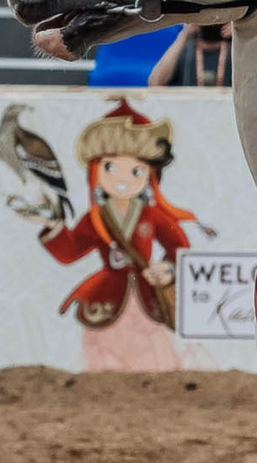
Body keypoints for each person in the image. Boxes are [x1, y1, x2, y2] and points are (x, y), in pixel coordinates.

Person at [32, 101, 203, 372]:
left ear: (150, 175)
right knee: (103, 359)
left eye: (136, 170)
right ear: (96, 171)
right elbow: (70, 251)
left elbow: (179, 246)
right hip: (107, 300)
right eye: (110, 167)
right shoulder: (95, 219)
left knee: (154, 359)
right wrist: (52, 226)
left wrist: (168, 269)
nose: (122, 178)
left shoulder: (152, 216)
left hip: (147, 299)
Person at [148, 21, 234, 87]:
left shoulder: (235, 52)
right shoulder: (184, 51)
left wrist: (240, 35)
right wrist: (184, 34)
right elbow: (155, 83)